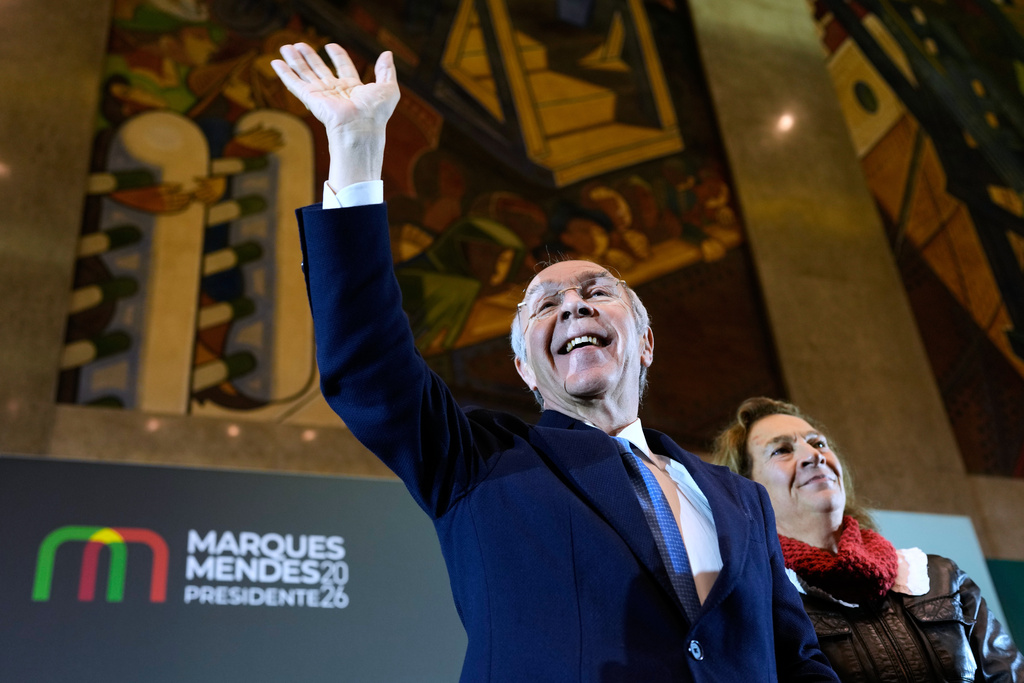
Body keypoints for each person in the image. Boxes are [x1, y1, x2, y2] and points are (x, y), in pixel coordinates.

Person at [271, 42, 840, 682]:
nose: (572, 306)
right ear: (523, 367)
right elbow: (367, 361)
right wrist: (354, 145)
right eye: (545, 305)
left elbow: (798, 662)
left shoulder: (744, 502)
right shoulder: (473, 461)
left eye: (598, 292)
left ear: (645, 343)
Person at [712, 396, 1024, 682]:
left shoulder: (940, 576)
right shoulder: (759, 603)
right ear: (746, 489)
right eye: (782, 450)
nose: (813, 456)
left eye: (818, 443)